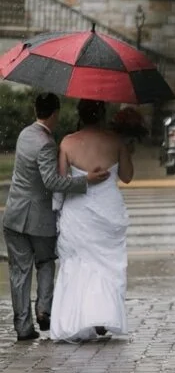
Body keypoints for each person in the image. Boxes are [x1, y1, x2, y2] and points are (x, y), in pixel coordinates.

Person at [3, 93, 109, 341]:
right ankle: (43, 310)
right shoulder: (47, 143)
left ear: (35, 110)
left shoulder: (24, 134)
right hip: (38, 220)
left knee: (19, 272)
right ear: (55, 113)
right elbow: (52, 181)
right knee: (46, 262)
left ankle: (23, 327)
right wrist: (86, 180)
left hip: (14, 215)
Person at [49, 99, 134, 342]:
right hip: (108, 209)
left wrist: (56, 211)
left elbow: (62, 182)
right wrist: (128, 150)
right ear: (102, 114)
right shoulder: (115, 141)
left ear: (80, 114)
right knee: (107, 266)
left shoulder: (67, 142)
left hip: (79, 211)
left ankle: (79, 318)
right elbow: (127, 177)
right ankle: (103, 315)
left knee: (78, 264)